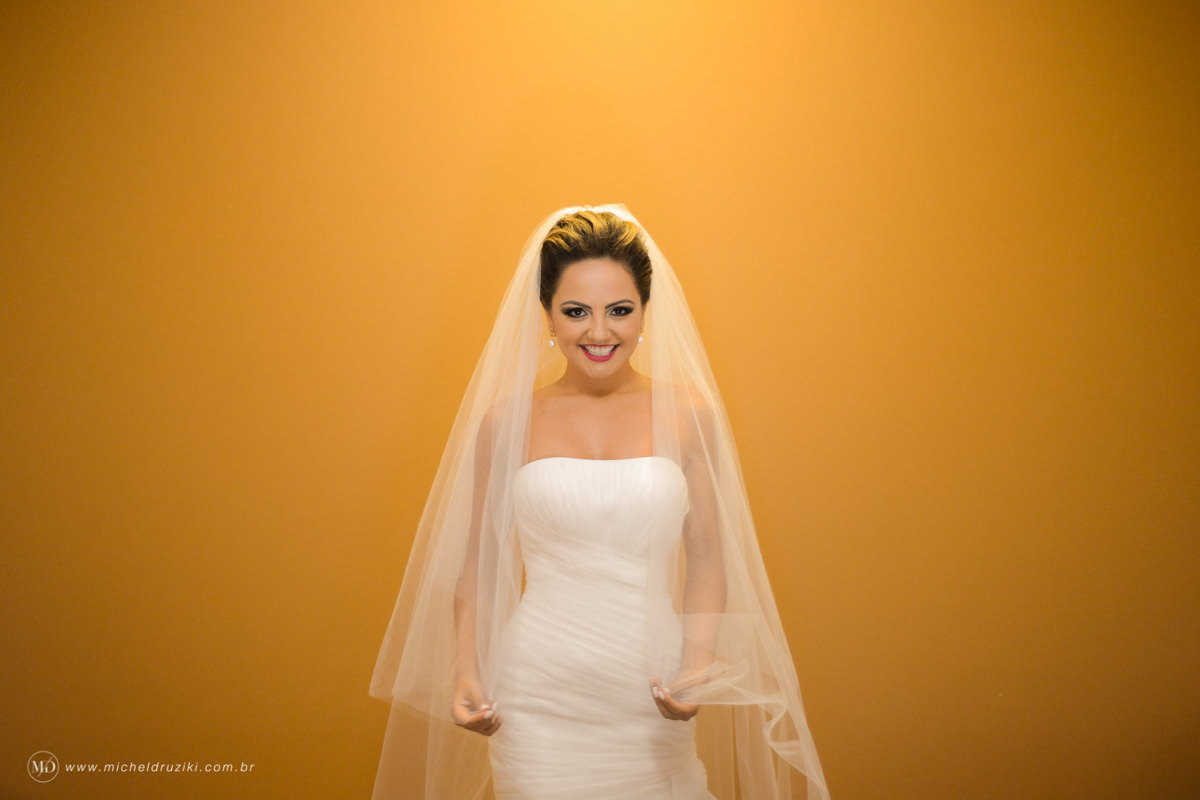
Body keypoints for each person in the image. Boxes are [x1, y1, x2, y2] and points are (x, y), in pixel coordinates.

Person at [369, 205, 831, 800]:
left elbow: (710, 559)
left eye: (619, 310)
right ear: (547, 317)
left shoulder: (689, 415)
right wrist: (467, 671)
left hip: (651, 692)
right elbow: (481, 566)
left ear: (644, 313)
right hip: (537, 695)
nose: (598, 332)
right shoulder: (506, 421)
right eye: (576, 312)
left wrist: (696, 666)